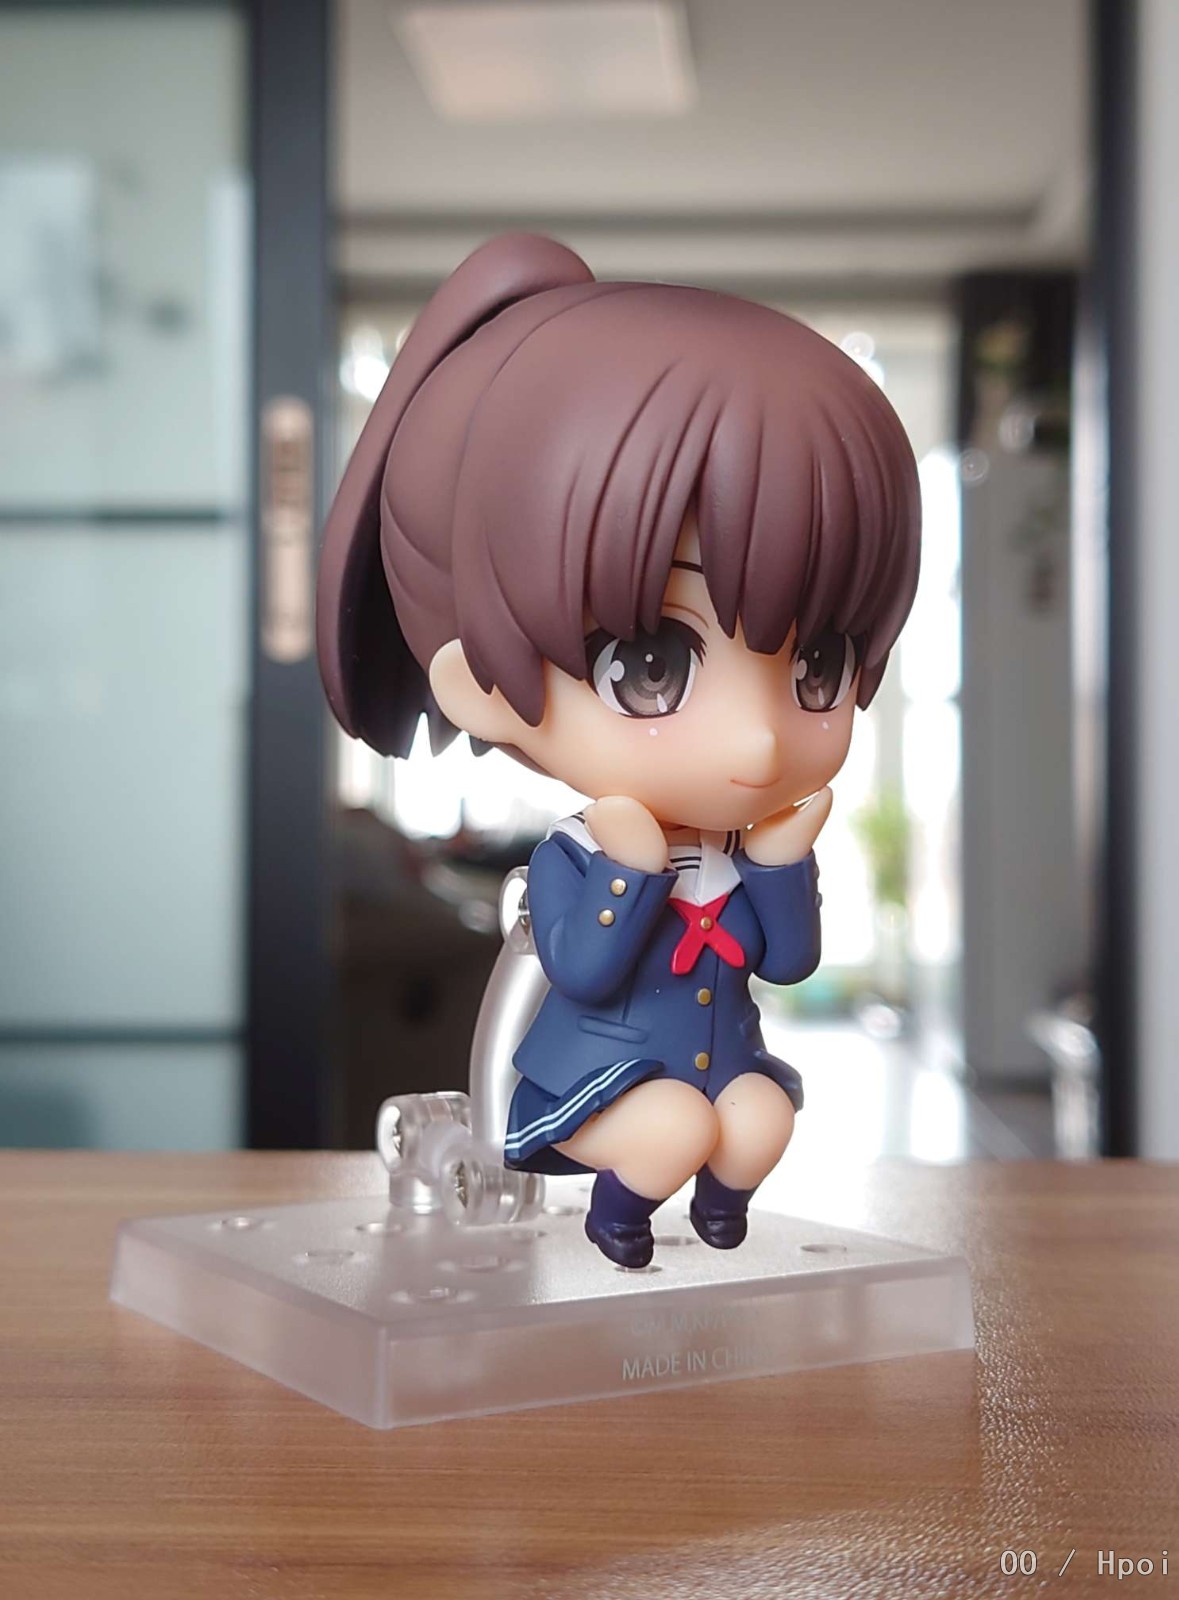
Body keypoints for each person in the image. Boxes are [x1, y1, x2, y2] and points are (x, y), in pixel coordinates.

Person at [317, 233, 921, 1267]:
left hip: (720, 1063)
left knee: (762, 1119)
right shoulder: (580, 852)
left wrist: (782, 864)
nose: (760, 736)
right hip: (594, 1078)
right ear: (478, 684)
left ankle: (718, 1212)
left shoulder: (736, 846)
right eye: (654, 665)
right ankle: (618, 1217)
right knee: (674, 1126)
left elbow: (789, 961)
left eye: (817, 665)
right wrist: (630, 872)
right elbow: (586, 969)